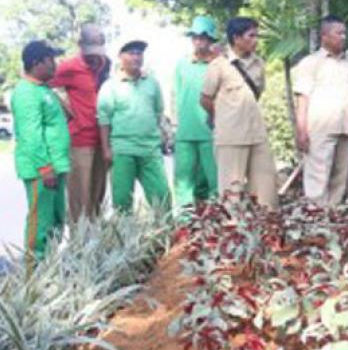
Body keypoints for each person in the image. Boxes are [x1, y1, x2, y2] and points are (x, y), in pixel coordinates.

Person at [201, 17, 279, 209]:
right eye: (251, 36)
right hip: (231, 137)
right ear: (236, 38)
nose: (256, 40)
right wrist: (225, 118)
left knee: (266, 190)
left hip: (257, 134)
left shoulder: (258, 64)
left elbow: (256, 95)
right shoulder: (218, 66)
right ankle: (232, 234)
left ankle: (266, 230)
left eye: (256, 35)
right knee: (231, 193)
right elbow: (205, 99)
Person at [293, 15, 348, 206]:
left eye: (344, 33)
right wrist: (301, 131)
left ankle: (332, 217)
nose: (343, 37)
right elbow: (303, 98)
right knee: (317, 176)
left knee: (339, 177)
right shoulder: (310, 63)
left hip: (346, 127)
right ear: (324, 36)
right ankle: (316, 218)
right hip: (320, 128)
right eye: (338, 33)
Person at [12, 41, 70, 270]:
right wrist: (44, 167)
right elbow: (30, 135)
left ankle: (50, 269)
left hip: (56, 165)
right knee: (41, 223)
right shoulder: (26, 92)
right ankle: (33, 275)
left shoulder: (43, 89)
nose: (55, 65)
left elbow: (66, 117)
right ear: (37, 63)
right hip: (42, 170)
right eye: (51, 60)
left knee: (56, 220)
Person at [98, 40, 171, 212]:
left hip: (149, 150)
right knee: (122, 202)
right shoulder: (110, 86)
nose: (136, 57)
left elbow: (158, 112)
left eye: (139, 53)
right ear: (120, 57)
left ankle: (164, 236)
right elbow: (104, 119)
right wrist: (106, 149)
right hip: (122, 150)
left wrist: (161, 137)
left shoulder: (152, 83)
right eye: (131, 53)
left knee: (162, 197)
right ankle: (126, 237)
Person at [50, 24, 111, 222]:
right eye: (90, 51)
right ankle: (79, 247)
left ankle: (96, 246)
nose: (94, 57)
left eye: (98, 50)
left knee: (97, 198)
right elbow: (44, 85)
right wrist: (67, 111)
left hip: (102, 141)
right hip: (79, 141)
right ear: (80, 45)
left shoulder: (105, 65)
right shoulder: (68, 67)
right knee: (80, 200)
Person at [173, 16, 218, 208]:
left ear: (210, 40)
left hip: (211, 133)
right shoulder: (182, 64)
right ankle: (184, 226)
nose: (199, 40)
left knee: (215, 181)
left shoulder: (219, 64)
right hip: (185, 133)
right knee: (183, 184)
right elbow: (175, 95)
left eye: (203, 36)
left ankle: (219, 224)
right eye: (195, 36)